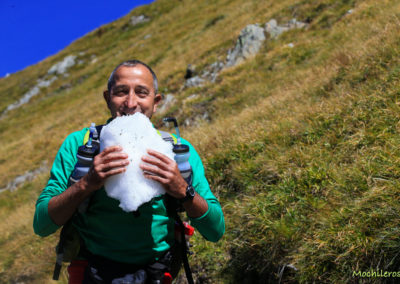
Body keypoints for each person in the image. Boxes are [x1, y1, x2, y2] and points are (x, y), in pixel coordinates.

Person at [33, 60, 225, 283]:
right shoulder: (79, 145)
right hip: (93, 270)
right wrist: (87, 183)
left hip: (157, 270)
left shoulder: (178, 150)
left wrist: (183, 189)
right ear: (107, 98)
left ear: (156, 102)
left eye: (141, 93)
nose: (131, 102)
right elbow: (42, 224)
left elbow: (215, 230)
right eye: (121, 92)